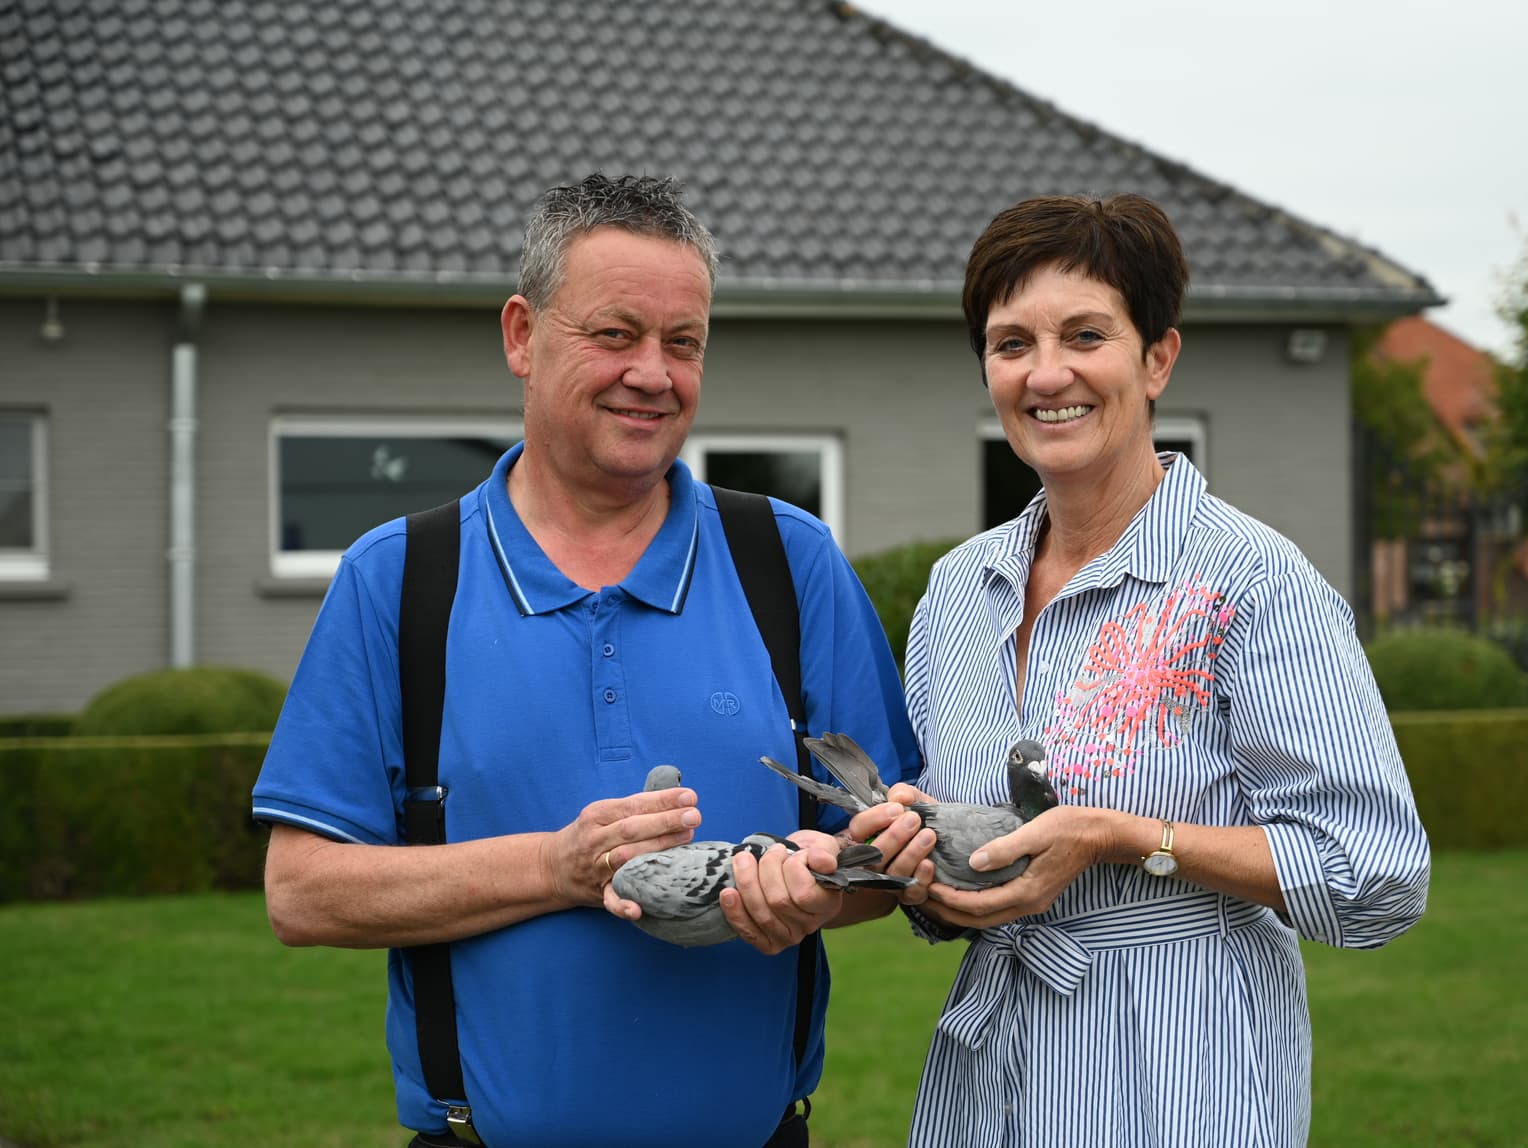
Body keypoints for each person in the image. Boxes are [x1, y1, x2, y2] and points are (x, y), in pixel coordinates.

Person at [252, 174, 922, 1148]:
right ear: (522, 335)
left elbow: (894, 851)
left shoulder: (789, 561)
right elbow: (301, 891)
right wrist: (559, 866)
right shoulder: (398, 578)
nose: (652, 372)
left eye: (682, 342)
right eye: (614, 334)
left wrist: (825, 885)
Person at [847, 193, 1431, 1147]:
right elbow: (967, 869)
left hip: (1182, 1074)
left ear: (1158, 357)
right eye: (1010, 344)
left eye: (1086, 335)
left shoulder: (1250, 581)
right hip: (988, 1082)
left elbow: (1376, 873)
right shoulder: (958, 593)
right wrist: (926, 871)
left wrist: (1131, 836)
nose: (1048, 375)